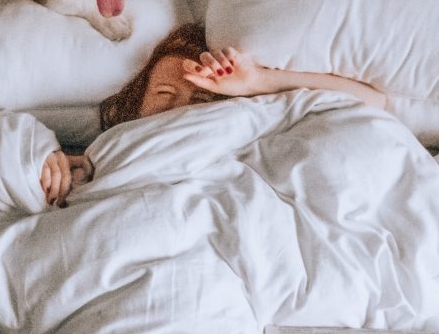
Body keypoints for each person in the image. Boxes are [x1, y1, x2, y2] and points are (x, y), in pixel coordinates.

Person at [39, 23, 387, 206]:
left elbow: (371, 104)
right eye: (163, 94)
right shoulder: (98, 155)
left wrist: (258, 82)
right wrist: (43, 158)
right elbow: (2, 140)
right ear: (135, 105)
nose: (181, 109)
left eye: (201, 98)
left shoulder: (250, 117)